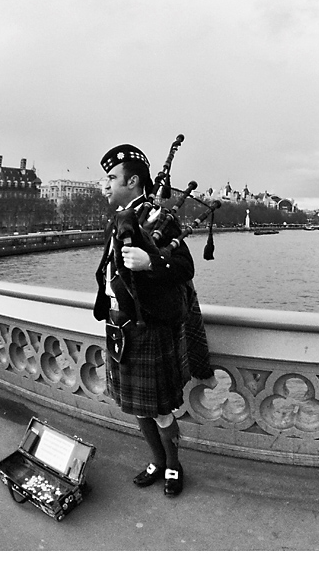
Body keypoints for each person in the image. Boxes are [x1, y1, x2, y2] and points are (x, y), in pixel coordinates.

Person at [93, 143, 214, 497]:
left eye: (111, 178)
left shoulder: (159, 217)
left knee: (160, 410)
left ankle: (173, 465)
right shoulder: (121, 217)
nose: (105, 184)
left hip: (149, 327)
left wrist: (151, 263)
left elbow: (185, 267)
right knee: (137, 407)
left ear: (132, 181)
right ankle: (157, 460)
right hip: (121, 325)